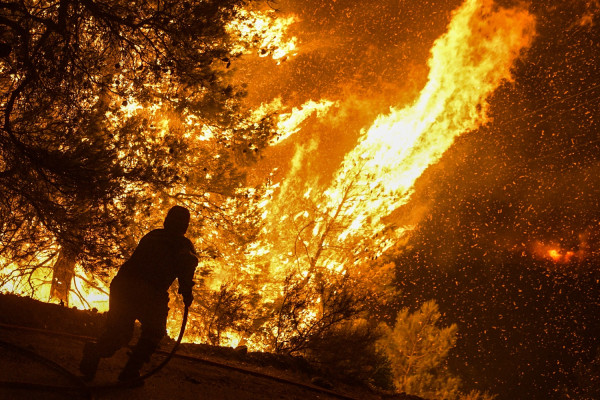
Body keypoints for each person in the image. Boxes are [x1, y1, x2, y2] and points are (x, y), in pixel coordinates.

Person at [79, 206, 198, 382]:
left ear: (166, 221)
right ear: (185, 226)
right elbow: (186, 269)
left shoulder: (152, 235)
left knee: (119, 332)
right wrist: (187, 294)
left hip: (122, 285)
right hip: (148, 291)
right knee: (154, 331)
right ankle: (130, 373)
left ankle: (96, 351)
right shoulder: (184, 246)